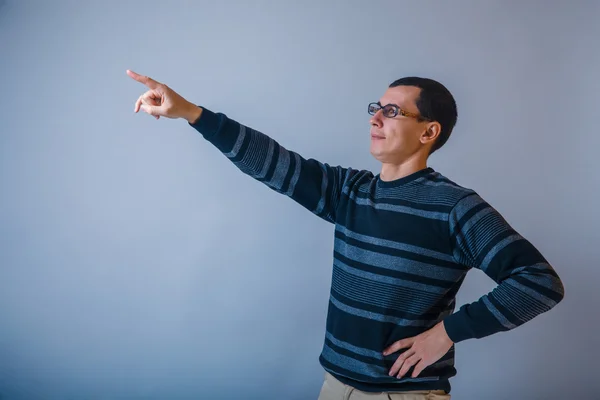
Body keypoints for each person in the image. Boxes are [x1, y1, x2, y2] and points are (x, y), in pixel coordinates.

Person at [126, 69, 565, 399]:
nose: (377, 117)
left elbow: (539, 283)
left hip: (405, 396)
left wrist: (447, 333)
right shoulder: (351, 192)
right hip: (336, 387)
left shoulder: (455, 207)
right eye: (376, 107)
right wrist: (190, 113)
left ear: (429, 132)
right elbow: (273, 162)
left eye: (393, 111)